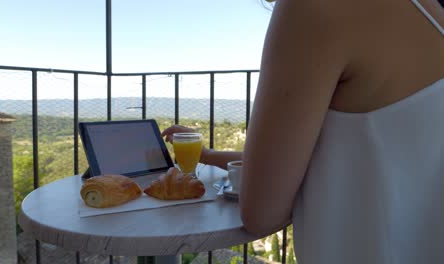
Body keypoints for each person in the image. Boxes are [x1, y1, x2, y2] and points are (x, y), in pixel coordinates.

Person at [162, 0, 444, 263]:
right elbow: (332, 161)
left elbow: (261, 214)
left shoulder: (312, 7)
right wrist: (208, 155)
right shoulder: (431, 15)